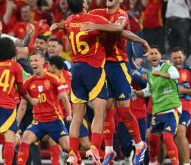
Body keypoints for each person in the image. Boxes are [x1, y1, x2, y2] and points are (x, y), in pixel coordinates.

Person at [50, 0, 124, 164]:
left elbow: (65, 24)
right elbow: (118, 28)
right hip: (94, 68)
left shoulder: (69, 21)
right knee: (100, 112)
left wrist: (56, 25)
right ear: (84, 6)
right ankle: (95, 149)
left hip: (76, 70)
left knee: (77, 116)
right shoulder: (94, 19)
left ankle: (72, 153)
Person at [87, 1, 149, 164]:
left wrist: (96, 26)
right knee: (106, 108)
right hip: (103, 66)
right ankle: (109, 150)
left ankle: (140, 144)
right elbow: (81, 19)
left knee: (123, 110)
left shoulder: (122, 15)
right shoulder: (98, 12)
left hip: (119, 66)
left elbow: (118, 29)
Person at [0, 37, 37, 165]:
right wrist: (31, 100)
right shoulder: (15, 65)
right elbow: (21, 88)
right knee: (9, 137)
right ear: (11, 50)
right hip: (7, 105)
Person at [17, 51, 72, 165]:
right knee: (25, 139)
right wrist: (16, 123)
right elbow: (23, 105)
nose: (33, 63)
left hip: (55, 120)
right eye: (31, 61)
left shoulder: (53, 78)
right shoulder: (27, 83)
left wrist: (69, 114)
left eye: (36, 60)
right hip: (38, 121)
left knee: (68, 148)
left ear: (43, 62)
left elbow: (64, 98)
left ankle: (79, 162)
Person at [134, 45, 180, 165]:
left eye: (156, 53)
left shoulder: (168, 67)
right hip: (158, 112)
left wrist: (160, 74)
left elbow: (176, 75)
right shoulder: (150, 74)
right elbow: (148, 92)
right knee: (152, 140)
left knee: (167, 137)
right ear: (148, 57)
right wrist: (135, 93)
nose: (154, 55)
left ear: (160, 55)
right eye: (151, 54)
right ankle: (153, 162)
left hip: (171, 109)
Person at [170, 47, 191, 165]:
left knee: (180, 132)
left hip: (185, 108)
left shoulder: (190, 71)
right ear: (171, 59)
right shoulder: (166, 72)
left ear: (183, 58)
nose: (178, 60)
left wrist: (185, 90)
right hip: (168, 109)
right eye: (175, 58)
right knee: (171, 138)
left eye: (180, 57)